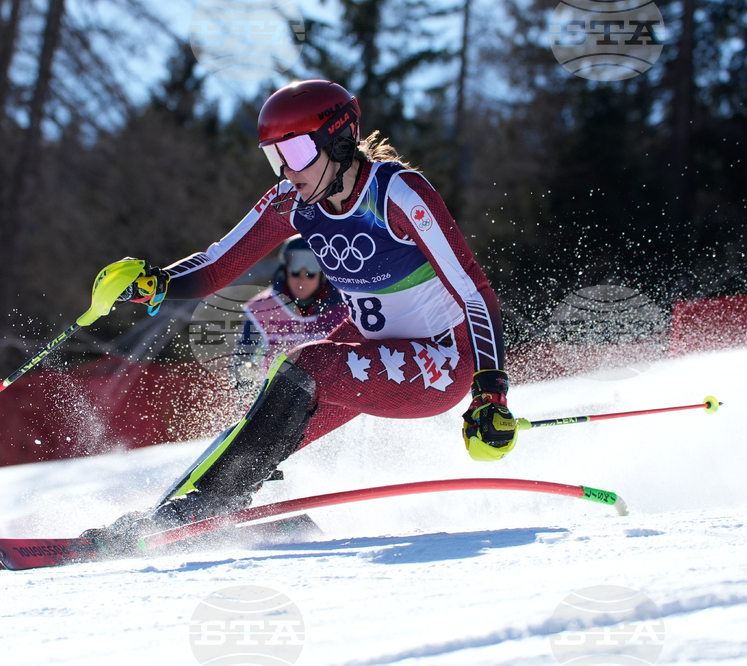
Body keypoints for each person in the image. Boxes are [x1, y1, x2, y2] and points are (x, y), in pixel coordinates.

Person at [87, 80, 517, 553]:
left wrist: (489, 392)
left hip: (442, 359)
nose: (287, 171)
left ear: (339, 140)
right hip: (373, 347)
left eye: (294, 151)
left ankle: (210, 506)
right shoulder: (294, 202)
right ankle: (176, 513)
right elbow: (218, 263)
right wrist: (157, 282)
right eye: (275, 156)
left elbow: (473, 291)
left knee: (305, 366)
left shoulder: (397, 195)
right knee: (269, 405)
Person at [230, 235, 349, 393]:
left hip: (330, 394)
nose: (302, 279)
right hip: (277, 397)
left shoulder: (345, 307)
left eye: (311, 270)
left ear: (323, 273)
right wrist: (245, 384)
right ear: (285, 270)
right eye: (295, 269)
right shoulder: (262, 309)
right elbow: (242, 357)